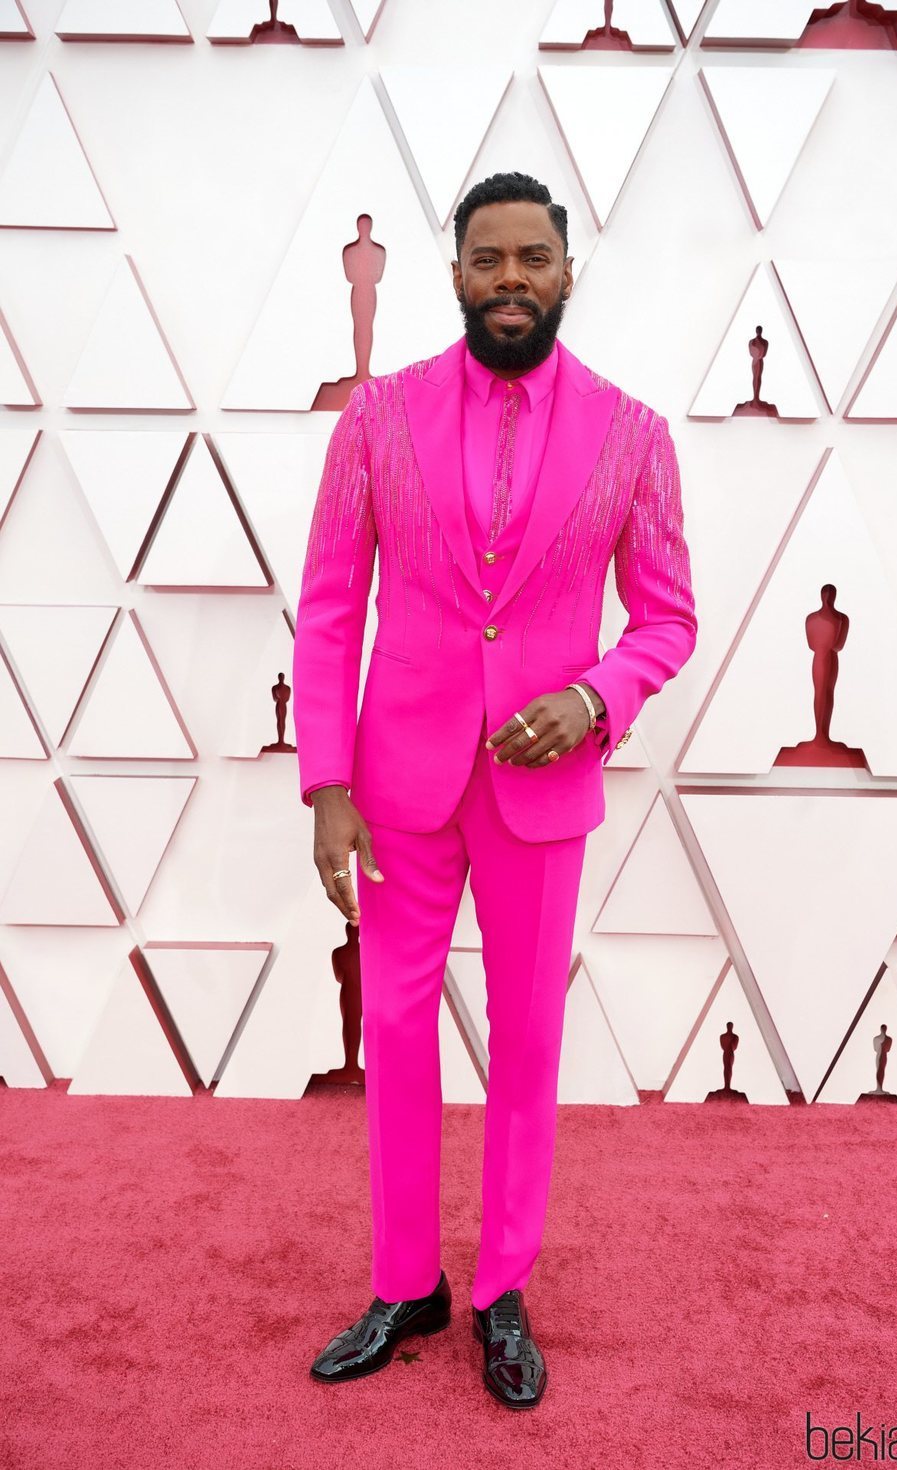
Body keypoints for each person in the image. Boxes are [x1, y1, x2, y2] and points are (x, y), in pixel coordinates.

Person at [292, 171, 698, 1408]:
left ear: (565, 274)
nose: (509, 278)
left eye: (532, 257)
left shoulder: (633, 435)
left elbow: (667, 622)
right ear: (455, 274)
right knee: (400, 1032)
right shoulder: (375, 420)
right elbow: (327, 606)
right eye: (487, 259)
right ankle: (405, 1281)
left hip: (540, 790)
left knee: (524, 1043)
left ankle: (502, 1288)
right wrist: (325, 783)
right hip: (398, 781)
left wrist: (593, 698)